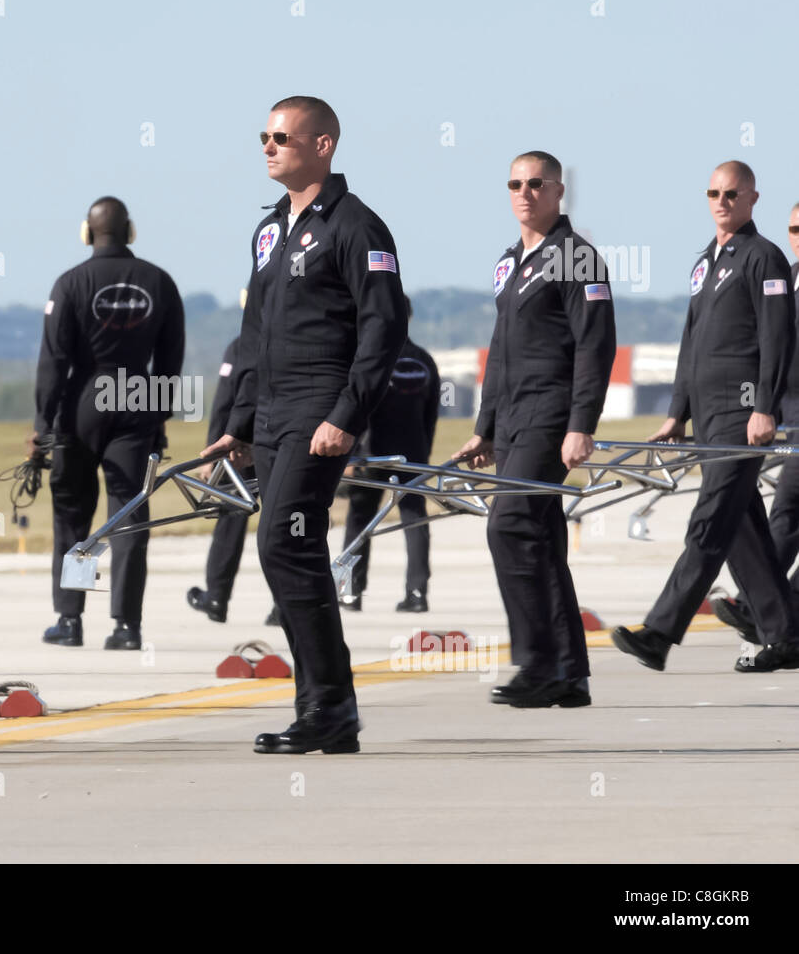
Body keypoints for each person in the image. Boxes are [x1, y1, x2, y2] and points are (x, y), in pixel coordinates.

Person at [203, 96, 407, 754]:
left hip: (319, 411)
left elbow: (384, 326)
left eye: (282, 136)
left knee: (284, 543)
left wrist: (347, 415)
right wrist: (236, 423)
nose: (269, 146)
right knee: (291, 550)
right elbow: (254, 333)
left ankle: (331, 706)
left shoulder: (357, 227)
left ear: (322, 145)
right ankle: (322, 709)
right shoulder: (269, 230)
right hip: (269, 413)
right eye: (263, 136)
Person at [612, 163, 799, 672]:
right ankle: (785, 634)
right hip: (709, 414)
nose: (721, 201)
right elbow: (691, 342)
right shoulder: (707, 261)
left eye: (731, 194)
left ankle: (660, 631)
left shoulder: (765, 258)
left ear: (751, 198)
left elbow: (778, 339)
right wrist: (677, 413)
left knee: (711, 518)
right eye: (714, 193)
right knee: (741, 522)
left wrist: (765, 405)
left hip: (742, 412)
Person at [453, 150, 615, 708]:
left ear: (558, 191)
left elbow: (596, 346)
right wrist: (484, 427)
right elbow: (499, 351)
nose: (524, 192)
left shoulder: (577, 258)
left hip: (552, 415)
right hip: (514, 417)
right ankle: (569, 674)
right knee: (541, 539)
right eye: (515, 184)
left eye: (536, 183)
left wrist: (581, 425)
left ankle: (538, 663)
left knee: (510, 528)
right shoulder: (510, 261)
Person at [30, 197, 184, 650]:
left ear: (87, 232)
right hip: (137, 401)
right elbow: (170, 361)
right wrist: (158, 415)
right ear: (130, 231)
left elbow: (53, 362)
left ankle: (70, 620)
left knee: (74, 515)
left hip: (82, 404)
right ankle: (126, 627)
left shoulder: (70, 283)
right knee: (130, 516)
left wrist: (43, 422)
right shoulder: (160, 282)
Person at [712, 201, 799, 644]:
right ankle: (778, 612)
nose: (798, 236)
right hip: (792, 415)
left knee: (787, 507)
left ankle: (764, 609)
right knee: (787, 510)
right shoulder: (788, 276)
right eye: (794, 229)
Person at [339, 295, 440, 613]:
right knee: (414, 519)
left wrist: (351, 455)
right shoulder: (425, 361)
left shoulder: (369, 358)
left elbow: (354, 410)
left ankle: (349, 592)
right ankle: (417, 593)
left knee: (358, 521)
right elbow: (431, 416)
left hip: (371, 456)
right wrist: (424, 452)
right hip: (413, 453)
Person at [186, 317, 279, 627]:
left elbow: (225, 401)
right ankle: (285, 602)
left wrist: (213, 451)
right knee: (283, 523)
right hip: (283, 444)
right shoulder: (298, 343)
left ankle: (217, 597)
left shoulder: (241, 347)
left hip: (240, 448)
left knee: (230, 519)